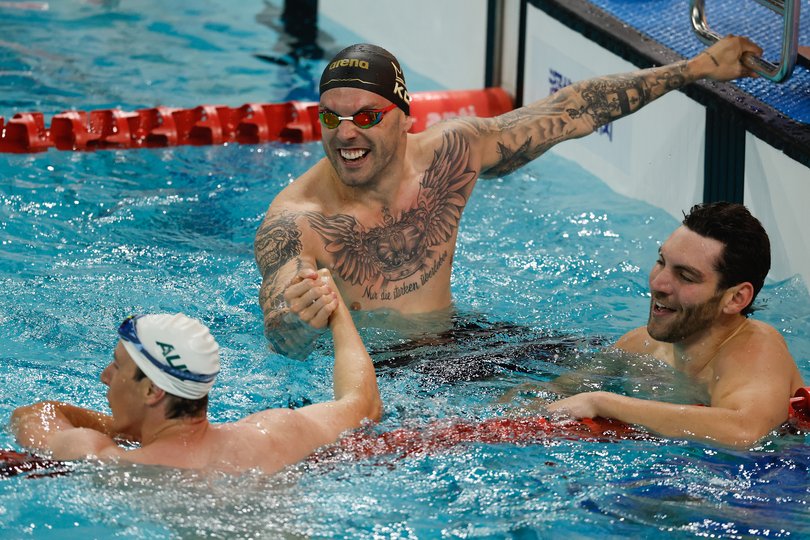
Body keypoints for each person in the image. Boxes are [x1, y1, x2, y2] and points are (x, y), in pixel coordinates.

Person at [255, 37, 764, 358]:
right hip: (386, 372)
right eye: (330, 117)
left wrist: (695, 68)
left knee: (624, 365)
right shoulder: (297, 220)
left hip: (458, 340)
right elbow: (281, 331)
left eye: (365, 117)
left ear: (404, 116)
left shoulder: (452, 153)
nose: (345, 134)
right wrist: (295, 323)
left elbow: (572, 111)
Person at [10, 269, 383, 473]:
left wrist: (128, 431)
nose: (105, 375)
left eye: (118, 366)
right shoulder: (277, 433)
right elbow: (363, 402)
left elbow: (33, 416)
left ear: (154, 392)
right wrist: (336, 311)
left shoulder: (110, 462)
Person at [543, 202, 805, 447]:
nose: (658, 284)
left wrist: (602, 402)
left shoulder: (758, 349)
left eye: (686, 276)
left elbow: (746, 432)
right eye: (661, 262)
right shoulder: (639, 346)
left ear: (735, 298)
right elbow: (555, 393)